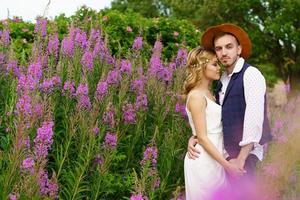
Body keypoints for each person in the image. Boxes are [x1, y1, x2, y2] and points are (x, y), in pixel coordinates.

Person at [187, 23, 272, 178]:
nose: (224, 52)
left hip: (244, 158)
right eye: (218, 49)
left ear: (239, 49)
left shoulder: (250, 74)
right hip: (223, 157)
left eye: (229, 47)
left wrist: (241, 159)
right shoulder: (221, 81)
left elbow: (254, 120)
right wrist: (195, 136)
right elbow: (215, 119)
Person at [183, 47, 244, 200]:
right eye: (214, 64)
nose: (219, 68)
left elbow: (205, 129)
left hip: (216, 158)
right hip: (203, 161)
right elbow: (203, 137)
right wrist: (228, 166)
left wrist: (193, 137)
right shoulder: (197, 96)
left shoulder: (210, 93)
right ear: (202, 67)